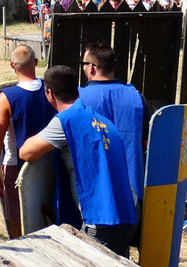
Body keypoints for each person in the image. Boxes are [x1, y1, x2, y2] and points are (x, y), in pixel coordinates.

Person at [20, 64, 138, 256]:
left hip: (104, 218)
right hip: (128, 209)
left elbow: (26, 152)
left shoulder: (66, 120)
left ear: (49, 93)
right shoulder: (100, 119)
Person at [0, 45, 55, 238]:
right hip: (48, 162)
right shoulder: (49, 90)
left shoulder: (7, 98)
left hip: (16, 165)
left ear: (12, 65)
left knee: (18, 221)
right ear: (35, 63)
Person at [78, 42, 146, 205]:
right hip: (133, 194)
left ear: (92, 67)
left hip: (96, 194)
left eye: (83, 64)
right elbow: (146, 143)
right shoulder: (137, 97)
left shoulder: (79, 99)